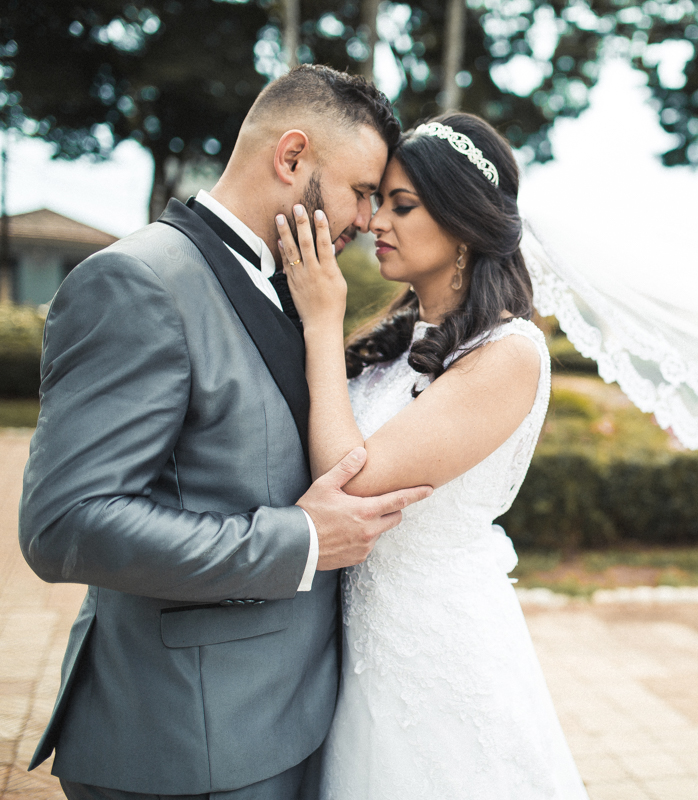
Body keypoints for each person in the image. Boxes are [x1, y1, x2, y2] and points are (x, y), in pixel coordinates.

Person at [18, 65, 432, 800]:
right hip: (187, 743)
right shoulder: (138, 281)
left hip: (286, 721)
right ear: (293, 157)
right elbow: (65, 524)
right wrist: (300, 541)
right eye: (363, 192)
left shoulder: (297, 286)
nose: (368, 220)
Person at [275, 111, 589, 799]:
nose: (375, 222)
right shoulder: (393, 343)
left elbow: (346, 483)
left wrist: (323, 322)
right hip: (354, 650)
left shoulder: (507, 355)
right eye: (376, 200)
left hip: (438, 656)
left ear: (464, 224)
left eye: (402, 205)